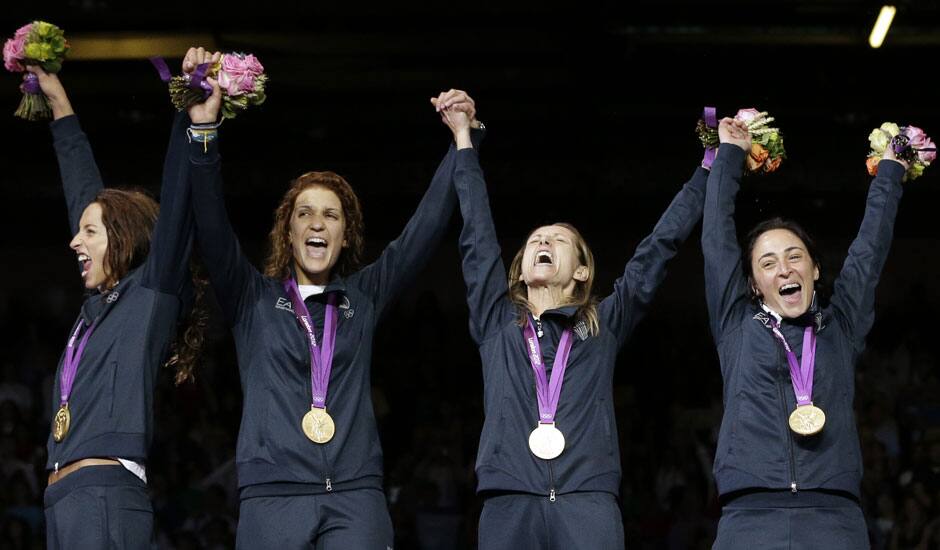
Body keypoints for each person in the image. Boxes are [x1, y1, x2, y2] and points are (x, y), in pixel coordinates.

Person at [186, 73, 482, 547]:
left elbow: (424, 229)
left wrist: (462, 138)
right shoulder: (252, 299)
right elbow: (211, 225)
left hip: (354, 496)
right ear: (287, 232)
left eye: (332, 215)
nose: (318, 223)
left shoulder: (362, 296)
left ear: (345, 235)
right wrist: (203, 134)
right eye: (304, 213)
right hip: (272, 497)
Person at [439, 100, 708, 549]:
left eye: (559, 240)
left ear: (582, 271)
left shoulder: (603, 324)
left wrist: (707, 169)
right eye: (534, 240)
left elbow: (658, 248)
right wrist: (464, 139)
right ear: (521, 268)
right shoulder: (496, 318)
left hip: (587, 501)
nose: (543, 240)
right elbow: (476, 233)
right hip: (510, 499)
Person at [703, 117, 909, 548]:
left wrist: (890, 171)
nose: (784, 268)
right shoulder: (735, 323)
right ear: (754, 283)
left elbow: (869, 250)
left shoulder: (841, 324)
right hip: (749, 518)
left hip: (834, 518)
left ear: (814, 269)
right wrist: (730, 156)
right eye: (768, 262)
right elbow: (717, 237)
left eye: (795, 256)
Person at [29, 49, 206, 548]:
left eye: (89, 232)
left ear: (122, 239)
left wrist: (186, 116)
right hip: (63, 500)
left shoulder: (149, 297)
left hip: (104, 495)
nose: (74, 241)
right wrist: (59, 100)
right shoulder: (97, 308)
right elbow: (82, 189)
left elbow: (177, 201)